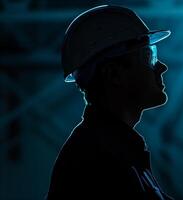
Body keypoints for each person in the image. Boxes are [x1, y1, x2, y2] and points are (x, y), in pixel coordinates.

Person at [46, 5, 173, 200]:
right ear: (114, 74)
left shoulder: (118, 151)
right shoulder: (94, 160)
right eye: (149, 57)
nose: (161, 67)